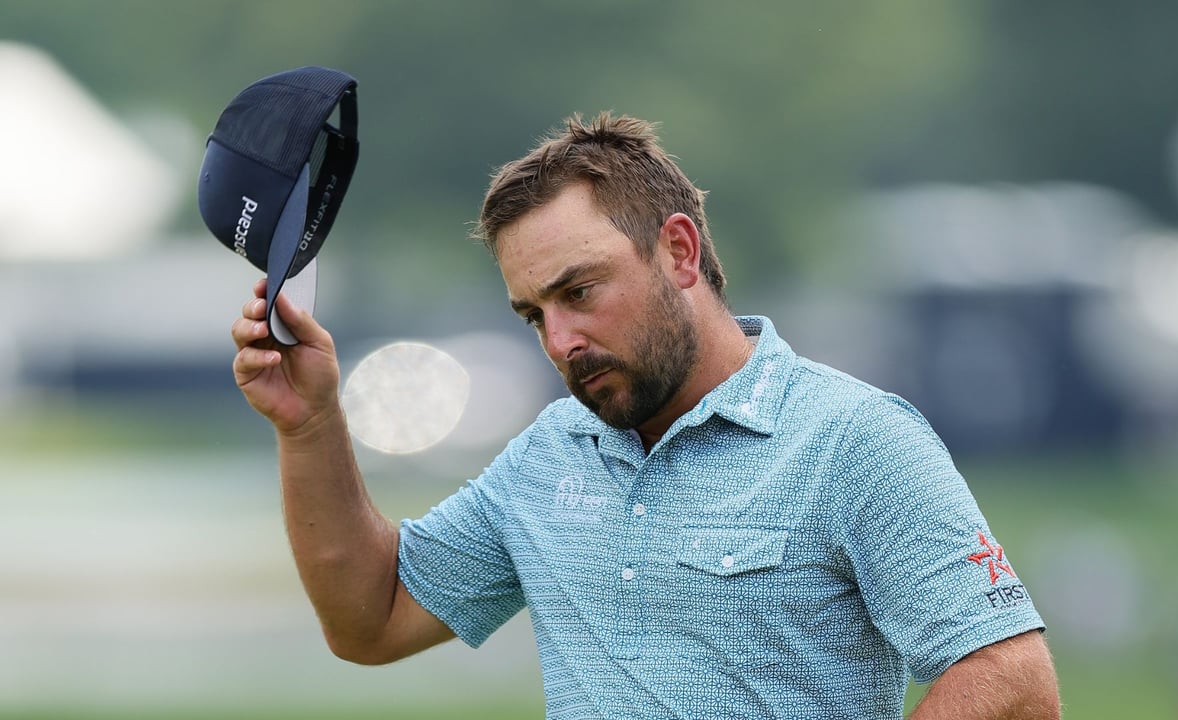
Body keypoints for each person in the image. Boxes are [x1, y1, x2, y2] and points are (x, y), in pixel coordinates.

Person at [230, 112, 1060, 719]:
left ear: (680, 251)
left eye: (579, 292)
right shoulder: (550, 455)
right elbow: (369, 618)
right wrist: (310, 427)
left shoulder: (854, 439)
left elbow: (1013, 679)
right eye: (533, 315)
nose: (559, 340)